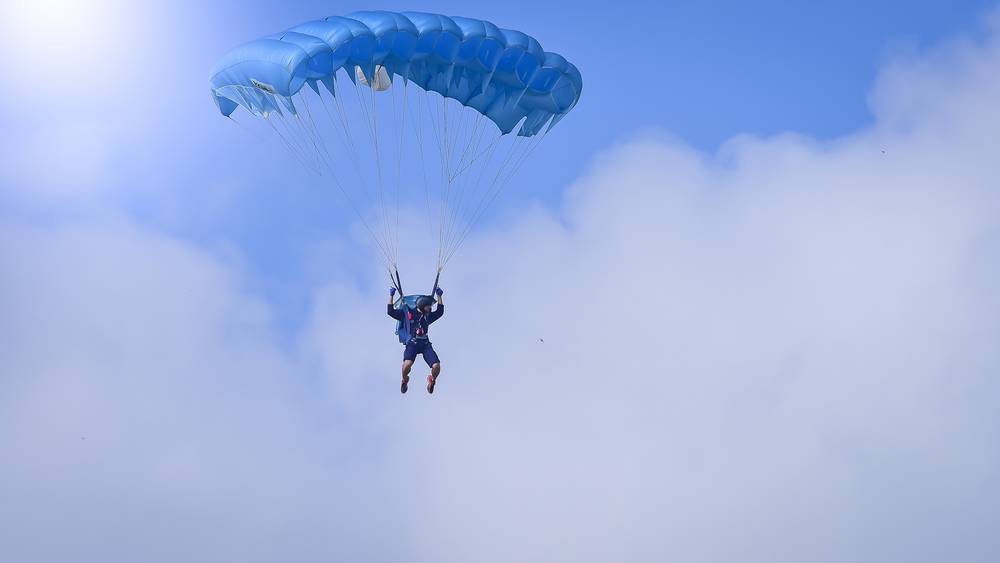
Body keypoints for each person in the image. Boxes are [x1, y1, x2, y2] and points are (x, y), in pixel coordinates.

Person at [387, 286, 444, 394]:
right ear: (422, 307)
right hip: (412, 344)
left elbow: (440, 312)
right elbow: (390, 312)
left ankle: (432, 380)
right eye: (428, 307)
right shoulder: (406, 313)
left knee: (436, 366)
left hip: (425, 344)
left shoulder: (427, 316)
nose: (430, 309)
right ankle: (404, 379)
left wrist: (439, 296)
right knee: (406, 365)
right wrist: (391, 295)